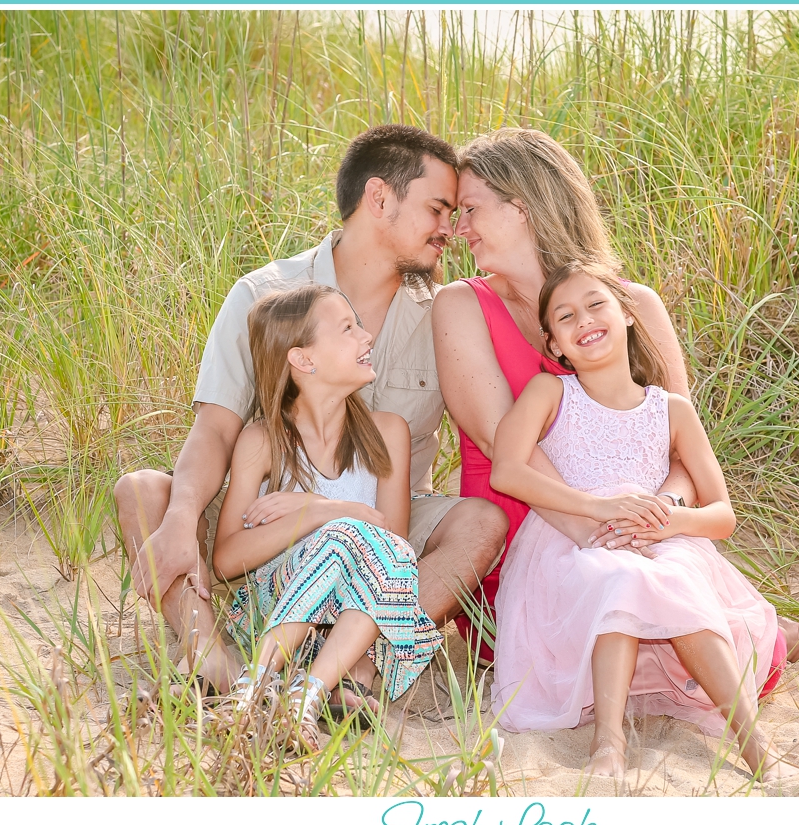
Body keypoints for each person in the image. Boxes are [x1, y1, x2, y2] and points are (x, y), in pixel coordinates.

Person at [114, 125, 508, 711]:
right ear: (380, 199)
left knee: (480, 522)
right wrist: (178, 517)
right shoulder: (265, 295)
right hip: (268, 515)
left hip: (385, 526)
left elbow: (493, 428)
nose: (449, 229)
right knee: (143, 491)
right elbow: (216, 428)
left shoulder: (444, 313)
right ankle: (211, 658)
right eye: (437, 208)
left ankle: (360, 663)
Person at [432, 128, 799, 667]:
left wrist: (659, 519)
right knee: (647, 616)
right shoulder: (461, 305)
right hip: (528, 539)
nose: (459, 229)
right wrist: (598, 534)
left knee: (692, 623)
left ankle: (722, 615)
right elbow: (500, 440)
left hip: (642, 536)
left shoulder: (632, 304)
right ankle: (723, 618)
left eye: (471, 209)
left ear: (521, 207)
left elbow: (681, 448)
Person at [488, 261, 799, 782]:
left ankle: (752, 740)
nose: (584, 320)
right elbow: (507, 470)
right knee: (619, 575)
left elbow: (722, 515)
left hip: (663, 541)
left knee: (672, 575)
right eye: (565, 316)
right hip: (579, 544)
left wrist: (669, 526)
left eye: (596, 304)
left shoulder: (672, 409)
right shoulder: (551, 395)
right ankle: (608, 740)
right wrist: (595, 507)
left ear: (627, 314)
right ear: (554, 345)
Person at [212, 284, 440, 750]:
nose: (367, 335)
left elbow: (391, 550)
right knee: (341, 533)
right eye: (347, 328)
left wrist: (322, 508)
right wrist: (318, 516)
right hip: (270, 614)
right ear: (303, 360)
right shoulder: (263, 441)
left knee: (370, 542)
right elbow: (226, 559)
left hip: (351, 631)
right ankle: (261, 684)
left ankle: (302, 696)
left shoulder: (387, 431)